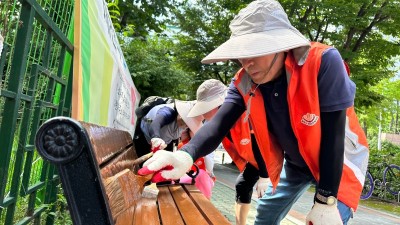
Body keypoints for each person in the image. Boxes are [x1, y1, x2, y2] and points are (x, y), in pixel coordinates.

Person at [139, 1, 369, 225]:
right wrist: (184, 155)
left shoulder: (323, 62)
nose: (246, 63)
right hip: (297, 162)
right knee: (266, 213)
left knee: (328, 218)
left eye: (255, 51)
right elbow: (218, 124)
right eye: (241, 53)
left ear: (280, 45)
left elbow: (334, 136)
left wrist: (326, 199)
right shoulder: (244, 82)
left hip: (339, 161)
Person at [187, 79, 269, 225]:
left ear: (219, 105)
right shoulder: (223, 122)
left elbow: (260, 142)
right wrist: (186, 156)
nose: (203, 114)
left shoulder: (245, 111)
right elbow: (209, 142)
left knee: (270, 198)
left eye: (205, 108)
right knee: (242, 185)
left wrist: (265, 176)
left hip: (271, 158)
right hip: (255, 160)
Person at [133, 99, 202, 157]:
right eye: (187, 122)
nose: (187, 126)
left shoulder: (184, 124)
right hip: (143, 142)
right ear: (182, 114)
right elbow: (156, 123)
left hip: (161, 147)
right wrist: (156, 137)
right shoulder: (167, 112)